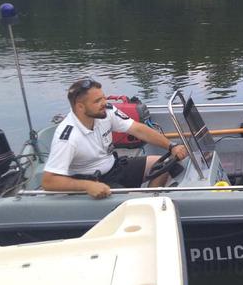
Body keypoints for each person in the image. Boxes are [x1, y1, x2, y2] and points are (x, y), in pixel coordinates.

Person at [42, 79, 188, 199]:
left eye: (104, 97)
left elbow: (138, 129)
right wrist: (87, 186)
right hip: (94, 181)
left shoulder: (107, 111)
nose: (104, 102)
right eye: (98, 100)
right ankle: (143, 205)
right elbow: (49, 181)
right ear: (80, 107)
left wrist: (171, 146)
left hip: (115, 167)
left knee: (164, 164)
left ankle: (149, 199)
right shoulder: (67, 137)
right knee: (131, 201)